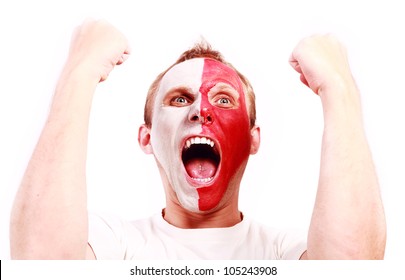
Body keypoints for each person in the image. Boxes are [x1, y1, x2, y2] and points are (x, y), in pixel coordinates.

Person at [10, 19, 386, 260]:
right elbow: (40, 262)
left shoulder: (283, 252)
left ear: (253, 139)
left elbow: (352, 266)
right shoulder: (114, 245)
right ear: (147, 137)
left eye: (223, 99)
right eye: (179, 99)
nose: (200, 111)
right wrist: (80, 72)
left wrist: (339, 88)